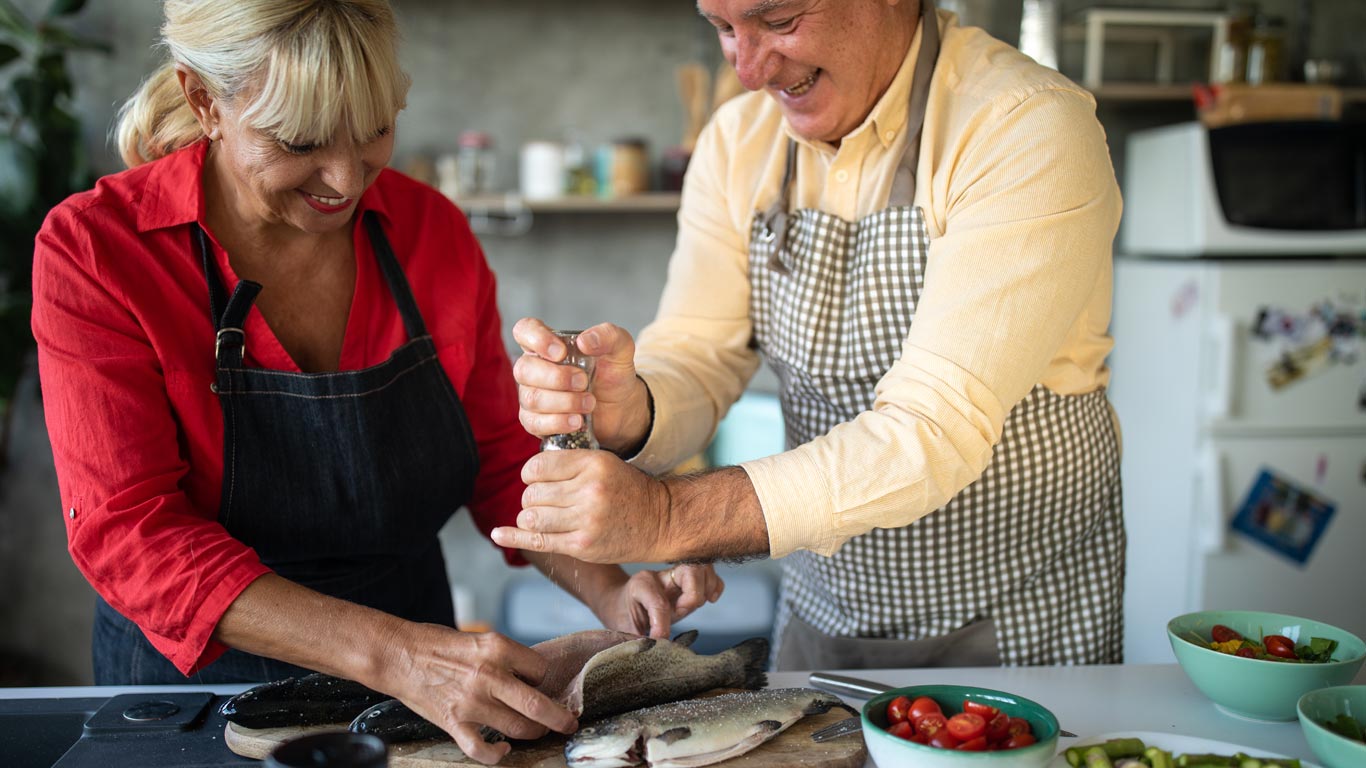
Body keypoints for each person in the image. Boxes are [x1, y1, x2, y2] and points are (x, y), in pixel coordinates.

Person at [31, 1, 720, 763]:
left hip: (416, 702)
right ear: (204, 102)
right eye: (299, 141)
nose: (344, 180)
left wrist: (610, 591)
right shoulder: (98, 251)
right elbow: (131, 533)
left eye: (373, 134)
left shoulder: (430, 232)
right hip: (197, 696)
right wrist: (397, 656)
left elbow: (495, 458)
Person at [498, 0, 1124, 671]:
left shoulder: (1023, 125)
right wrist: (636, 408)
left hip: (1021, 621)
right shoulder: (738, 141)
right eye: (724, 29)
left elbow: (931, 431)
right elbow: (699, 351)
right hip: (825, 609)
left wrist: (666, 516)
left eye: (780, 20)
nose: (747, 69)